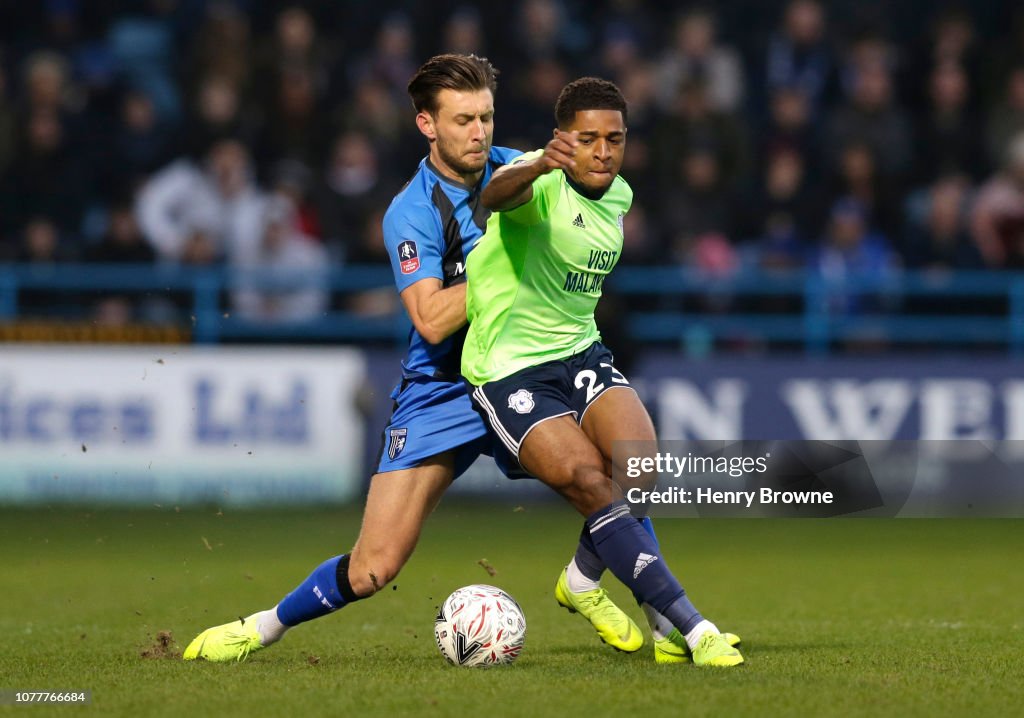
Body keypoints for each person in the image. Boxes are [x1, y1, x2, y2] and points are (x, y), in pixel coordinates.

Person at [183, 54, 646, 663]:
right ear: (427, 125)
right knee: (375, 568)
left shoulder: (520, 173)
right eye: (462, 121)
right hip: (444, 391)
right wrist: (500, 273)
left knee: (626, 473)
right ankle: (263, 626)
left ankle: (618, 601)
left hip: (526, 374)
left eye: (485, 117)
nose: (479, 132)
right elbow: (428, 317)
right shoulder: (412, 211)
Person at [461, 77, 744, 666]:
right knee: (593, 485)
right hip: (512, 370)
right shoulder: (538, 188)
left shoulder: (619, 196)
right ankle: (690, 629)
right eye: (587, 139)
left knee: (638, 471)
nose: (603, 151)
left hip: (581, 352)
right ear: (564, 139)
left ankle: (581, 581)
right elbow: (495, 195)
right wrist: (538, 165)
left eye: (614, 138)